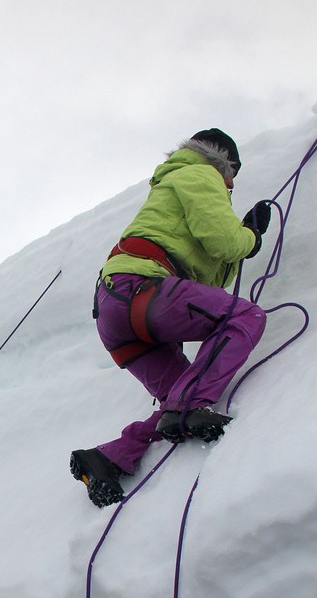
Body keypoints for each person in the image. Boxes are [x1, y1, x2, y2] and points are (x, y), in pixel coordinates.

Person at [71, 128, 271, 507]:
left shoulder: (171, 186)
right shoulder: (201, 174)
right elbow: (224, 241)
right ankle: (189, 410)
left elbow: (208, 276)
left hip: (116, 311)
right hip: (140, 290)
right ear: (224, 164)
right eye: (232, 176)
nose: (230, 185)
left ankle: (109, 457)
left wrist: (243, 239)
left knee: (179, 394)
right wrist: (250, 238)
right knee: (245, 317)